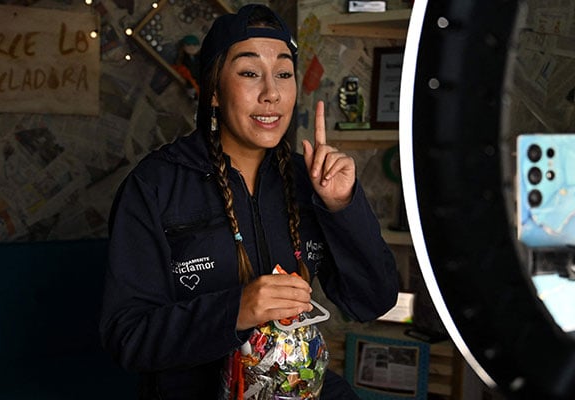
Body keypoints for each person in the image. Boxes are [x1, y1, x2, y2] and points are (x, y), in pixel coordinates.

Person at [100, 4, 399, 399]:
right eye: (249, 73)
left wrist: (342, 206)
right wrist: (236, 310)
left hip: (300, 387)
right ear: (215, 92)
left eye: (283, 74)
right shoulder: (154, 186)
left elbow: (372, 302)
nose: (272, 93)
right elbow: (129, 337)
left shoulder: (309, 180)